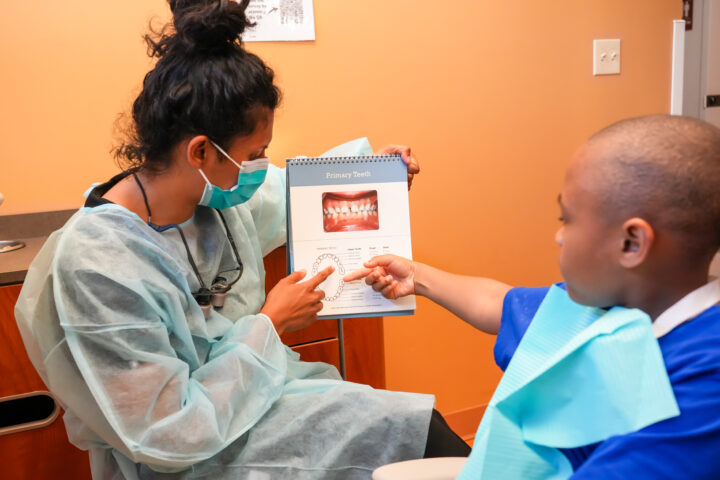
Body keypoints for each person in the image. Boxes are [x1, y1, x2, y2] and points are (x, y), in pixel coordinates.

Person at [14, 1, 470, 478]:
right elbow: (165, 431)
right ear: (201, 151)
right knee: (401, 433)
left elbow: (296, 197)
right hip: (190, 455)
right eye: (256, 154)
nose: (260, 167)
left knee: (415, 428)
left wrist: (375, 175)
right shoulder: (97, 264)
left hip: (256, 398)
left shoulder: (213, 197)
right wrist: (270, 322)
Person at [345, 114, 720, 478]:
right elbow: (498, 304)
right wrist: (416, 275)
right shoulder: (609, 308)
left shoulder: (703, 388)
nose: (559, 236)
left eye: (566, 220)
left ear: (631, 242)